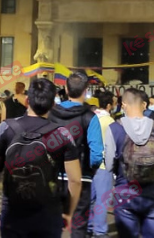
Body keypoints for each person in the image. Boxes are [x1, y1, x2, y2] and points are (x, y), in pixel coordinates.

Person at [0, 78, 82, 237]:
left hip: (13, 213)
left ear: (27, 100)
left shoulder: (5, 128)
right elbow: (75, 181)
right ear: (53, 105)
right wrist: (68, 212)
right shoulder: (62, 134)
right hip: (48, 214)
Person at [105, 88, 154, 238]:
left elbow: (108, 165)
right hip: (152, 192)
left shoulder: (114, 128)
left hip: (125, 192)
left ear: (123, 105)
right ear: (144, 105)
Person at [48, 71, 102, 238]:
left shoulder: (51, 114)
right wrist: (89, 169)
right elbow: (96, 154)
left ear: (65, 88)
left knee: (50, 225)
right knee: (78, 226)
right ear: (86, 89)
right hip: (81, 179)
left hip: (52, 178)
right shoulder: (90, 117)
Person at [90, 90, 116, 238]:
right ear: (108, 104)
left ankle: (89, 226)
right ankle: (99, 231)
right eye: (113, 101)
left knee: (91, 198)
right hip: (104, 164)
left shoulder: (92, 117)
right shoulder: (109, 121)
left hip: (90, 163)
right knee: (102, 199)